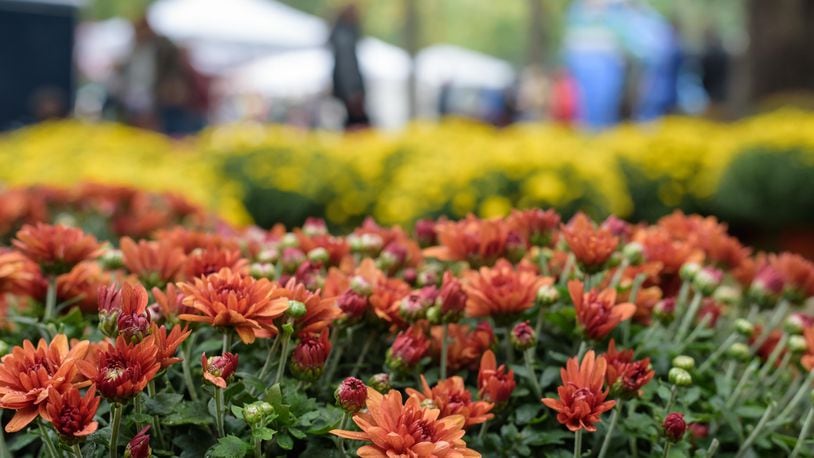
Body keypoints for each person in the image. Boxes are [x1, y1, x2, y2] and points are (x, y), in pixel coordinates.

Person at [111, 16, 209, 135]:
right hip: (140, 100)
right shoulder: (135, 49)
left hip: (164, 99)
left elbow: (171, 70)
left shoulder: (162, 46)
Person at [329, 4, 369, 130]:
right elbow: (346, 66)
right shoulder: (344, 36)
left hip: (346, 88)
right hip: (350, 89)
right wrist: (353, 91)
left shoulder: (341, 34)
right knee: (356, 124)